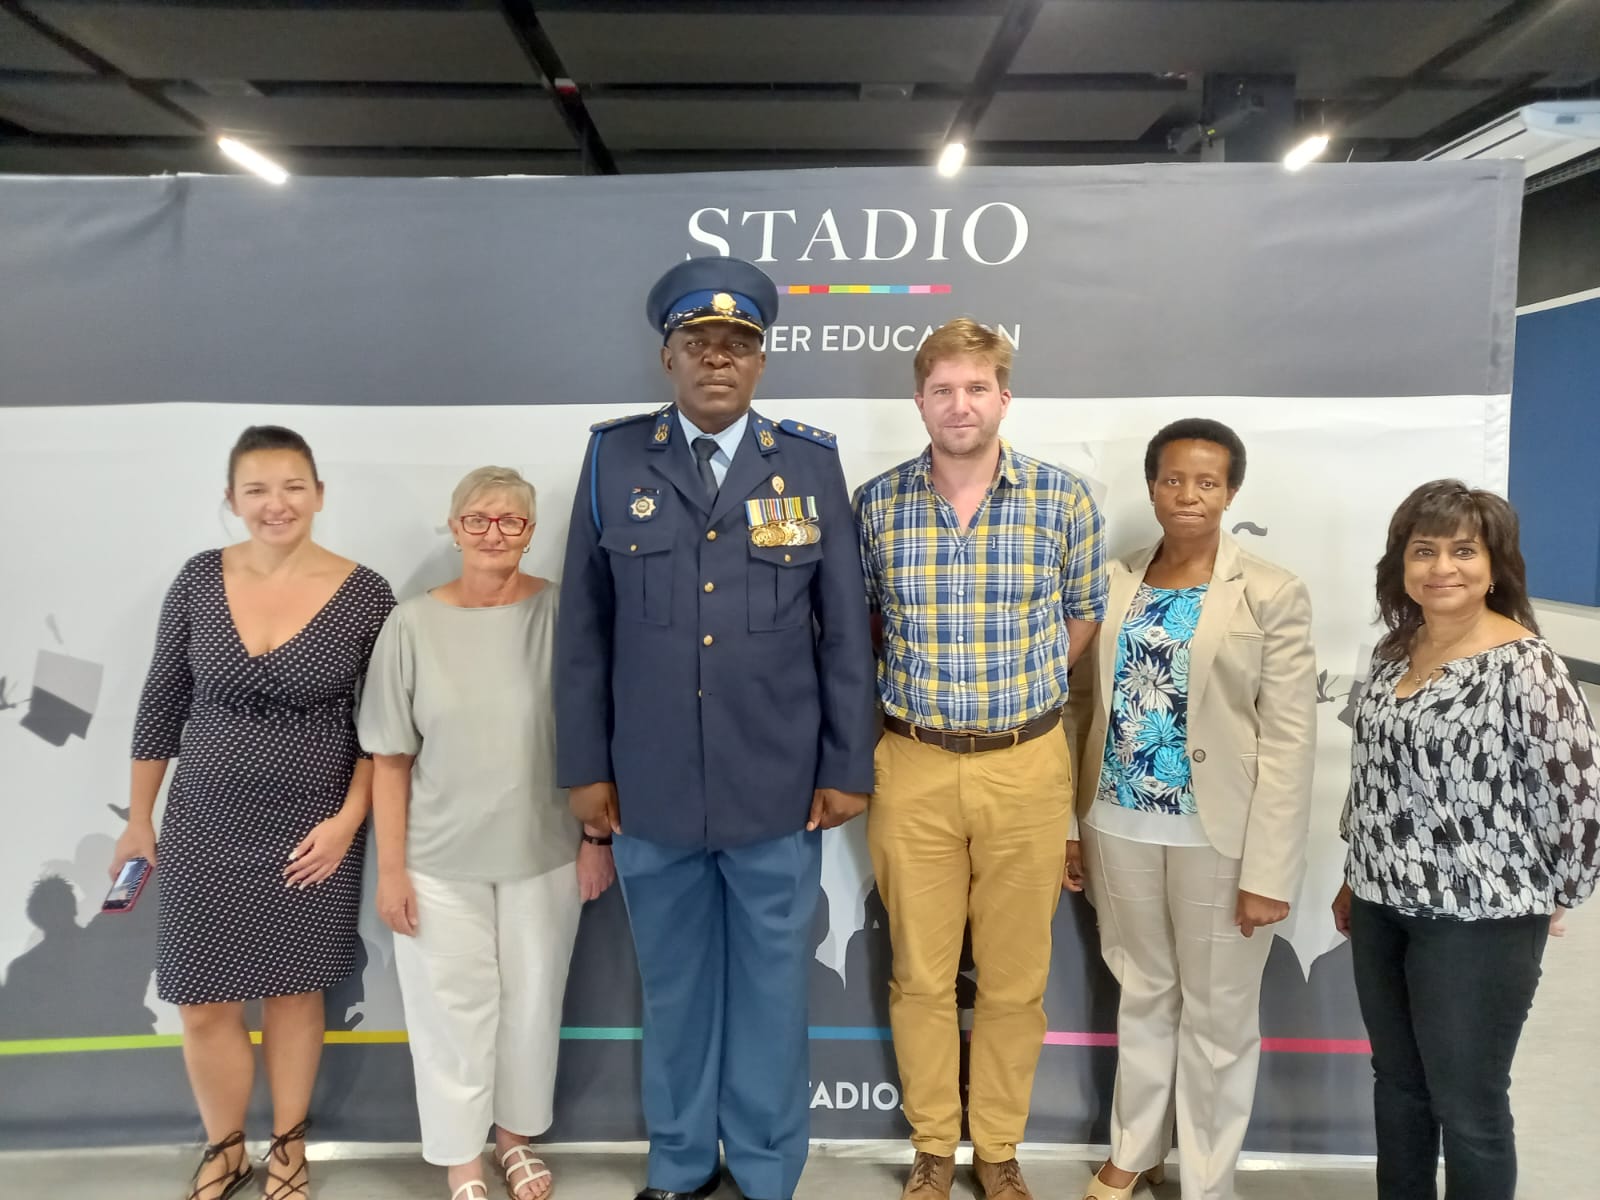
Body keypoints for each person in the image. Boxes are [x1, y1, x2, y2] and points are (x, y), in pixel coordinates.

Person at [555, 257, 877, 1200]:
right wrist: (584, 768)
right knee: (674, 985)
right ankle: (681, 1160)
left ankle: (769, 1168)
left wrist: (846, 765)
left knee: (774, 989)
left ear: (762, 361)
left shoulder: (808, 462)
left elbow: (844, 632)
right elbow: (583, 630)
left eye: (738, 344)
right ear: (669, 357)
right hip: (649, 783)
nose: (718, 358)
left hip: (777, 782)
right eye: (698, 342)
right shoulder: (614, 459)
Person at [854, 317, 1106, 1200]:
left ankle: (997, 1148)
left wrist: (1014, 694)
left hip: (1025, 764)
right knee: (920, 975)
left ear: (1004, 397)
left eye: (975, 389)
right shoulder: (876, 504)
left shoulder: (1063, 500)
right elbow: (866, 624)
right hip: (912, 762)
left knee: (1014, 979)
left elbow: (1082, 618)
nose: (958, 405)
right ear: (919, 401)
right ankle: (933, 1145)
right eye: (941, 390)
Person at [110, 425, 395, 1200]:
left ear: (319, 494)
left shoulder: (367, 593)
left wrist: (348, 822)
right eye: (257, 489)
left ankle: (290, 1149)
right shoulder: (199, 579)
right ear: (232, 500)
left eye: (293, 486)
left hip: (314, 827)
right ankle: (226, 1148)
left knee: (295, 995)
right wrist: (139, 818)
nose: (277, 504)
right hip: (204, 819)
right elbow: (161, 702)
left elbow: (384, 727)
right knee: (203, 1003)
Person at [1066, 419, 1317, 1200]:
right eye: (1173, 479)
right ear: (1152, 487)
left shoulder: (1271, 591)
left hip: (1223, 837)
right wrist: (1070, 826)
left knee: (1218, 1012)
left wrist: (1270, 870)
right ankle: (1135, 1149)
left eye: (1207, 482)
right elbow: (1080, 708)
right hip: (1116, 823)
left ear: (1231, 492)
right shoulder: (1112, 581)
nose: (1189, 495)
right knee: (1142, 991)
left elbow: (1289, 739)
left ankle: (1208, 1178)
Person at [1332, 479, 1600, 1200]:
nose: (1442, 567)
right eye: (1424, 551)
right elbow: (1373, 774)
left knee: (1469, 1106)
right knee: (1398, 1085)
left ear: (1494, 566)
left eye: (1463, 551)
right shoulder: (1395, 649)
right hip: (1381, 904)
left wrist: (1555, 893)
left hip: (1480, 919)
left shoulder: (1528, 666)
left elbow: (1579, 798)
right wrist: (1356, 872)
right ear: (1401, 564)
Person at [359, 466, 615, 1200]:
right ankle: (461, 1159)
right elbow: (389, 758)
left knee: (533, 1004)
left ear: (531, 532)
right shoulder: (410, 625)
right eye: (478, 519)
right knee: (450, 1014)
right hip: (438, 860)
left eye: (510, 521)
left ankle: (515, 1140)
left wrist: (596, 840)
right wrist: (392, 871)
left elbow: (598, 737)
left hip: (546, 852)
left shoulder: (565, 616)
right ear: (454, 528)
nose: (493, 533)